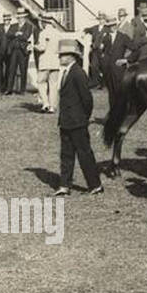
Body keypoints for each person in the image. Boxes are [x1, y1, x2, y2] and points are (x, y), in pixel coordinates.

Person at [55, 38, 102, 196]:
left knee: (84, 153)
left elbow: (87, 99)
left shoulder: (78, 73)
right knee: (66, 154)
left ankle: (95, 185)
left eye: (62, 55)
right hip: (66, 121)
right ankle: (64, 185)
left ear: (71, 56)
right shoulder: (67, 72)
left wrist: (83, 118)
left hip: (77, 122)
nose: (60, 57)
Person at [36, 13, 63, 112]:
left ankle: (45, 103)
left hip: (45, 61)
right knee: (53, 84)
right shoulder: (57, 33)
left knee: (41, 82)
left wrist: (35, 46)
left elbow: (42, 47)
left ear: (44, 22)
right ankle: (52, 106)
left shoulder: (43, 33)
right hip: (55, 61)